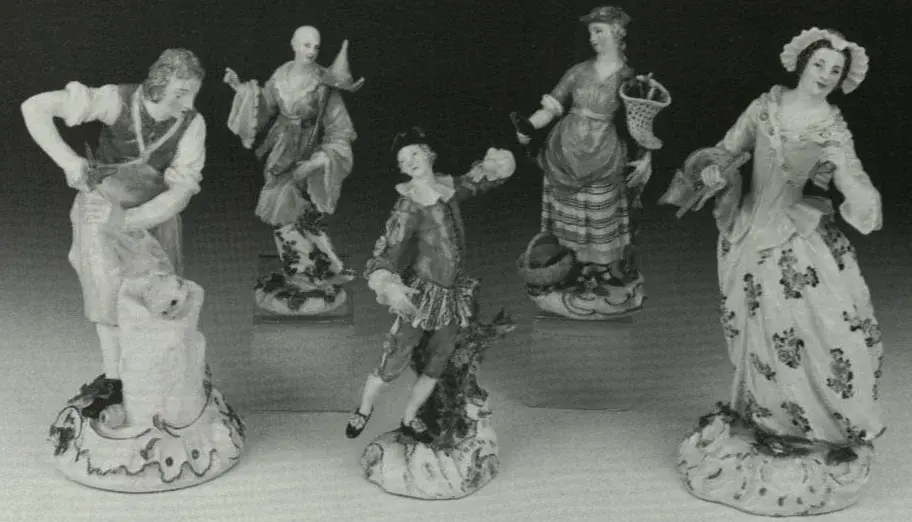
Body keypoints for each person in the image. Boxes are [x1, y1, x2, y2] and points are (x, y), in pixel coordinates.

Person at [690, 26, 883, 460]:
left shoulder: (832, 126)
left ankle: (806, 425)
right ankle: (762, 417)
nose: (826, 75)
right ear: (802, 63)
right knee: (753, 327)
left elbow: (851, 175)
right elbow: (727, 150)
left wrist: (856, 189)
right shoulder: (764, 107)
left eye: (835, 70)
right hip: (748, 229)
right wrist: (713, 172)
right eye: (819, 64)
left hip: (796, 234)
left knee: (806, 328)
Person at [21, 48, 207, 417]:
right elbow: (34, 107)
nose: (188, 104)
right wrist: (70, 162)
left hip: (151, 218)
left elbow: (180, 193)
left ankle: (156, 379)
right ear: (157, 86)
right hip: (99, 214)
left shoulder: (192, 124)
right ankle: (115, 380)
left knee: (160, 296)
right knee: (105, 296)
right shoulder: (116, 101)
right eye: (180, 94)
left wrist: (127, 219)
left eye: (192, 95)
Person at [345, 127, 515, 444]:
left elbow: (475, 183)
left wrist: (496, 167)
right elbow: (389, 250)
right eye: (402, 159)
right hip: (421, 294)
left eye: (414, 153)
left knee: (439, 359)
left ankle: (410, 416)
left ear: (429, 154)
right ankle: (365, 408)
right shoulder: (408, 205)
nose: (410, 161)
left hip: (450, 295)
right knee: (396, 356)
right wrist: (388, 284)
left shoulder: (448, 188)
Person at [511, 6, 656, 287]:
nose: (592, 38)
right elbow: (552, 107)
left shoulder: (629, 78)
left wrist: (646, 156)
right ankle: (570, 266)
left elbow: (641, 121)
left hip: (603, 152)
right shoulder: (578, 71)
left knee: (600, 210)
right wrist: (528, 126)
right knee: (569, 214)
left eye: (599, 31)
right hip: (565, 149)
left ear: (617, 32)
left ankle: (601, 270)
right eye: (590, 32)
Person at [224, 26, 364, 314]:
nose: (311, 51)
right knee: (280, 211)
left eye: (316, 46)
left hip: (309, 154)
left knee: (303, 214)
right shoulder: (281, 73)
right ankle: (304, 270)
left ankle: (312, 270)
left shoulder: (324, 84)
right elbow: (264, 105)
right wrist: (240, 90)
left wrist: (317, 161)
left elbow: (340, 130)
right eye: (306, 45)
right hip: (281, 150)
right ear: (293, 44)